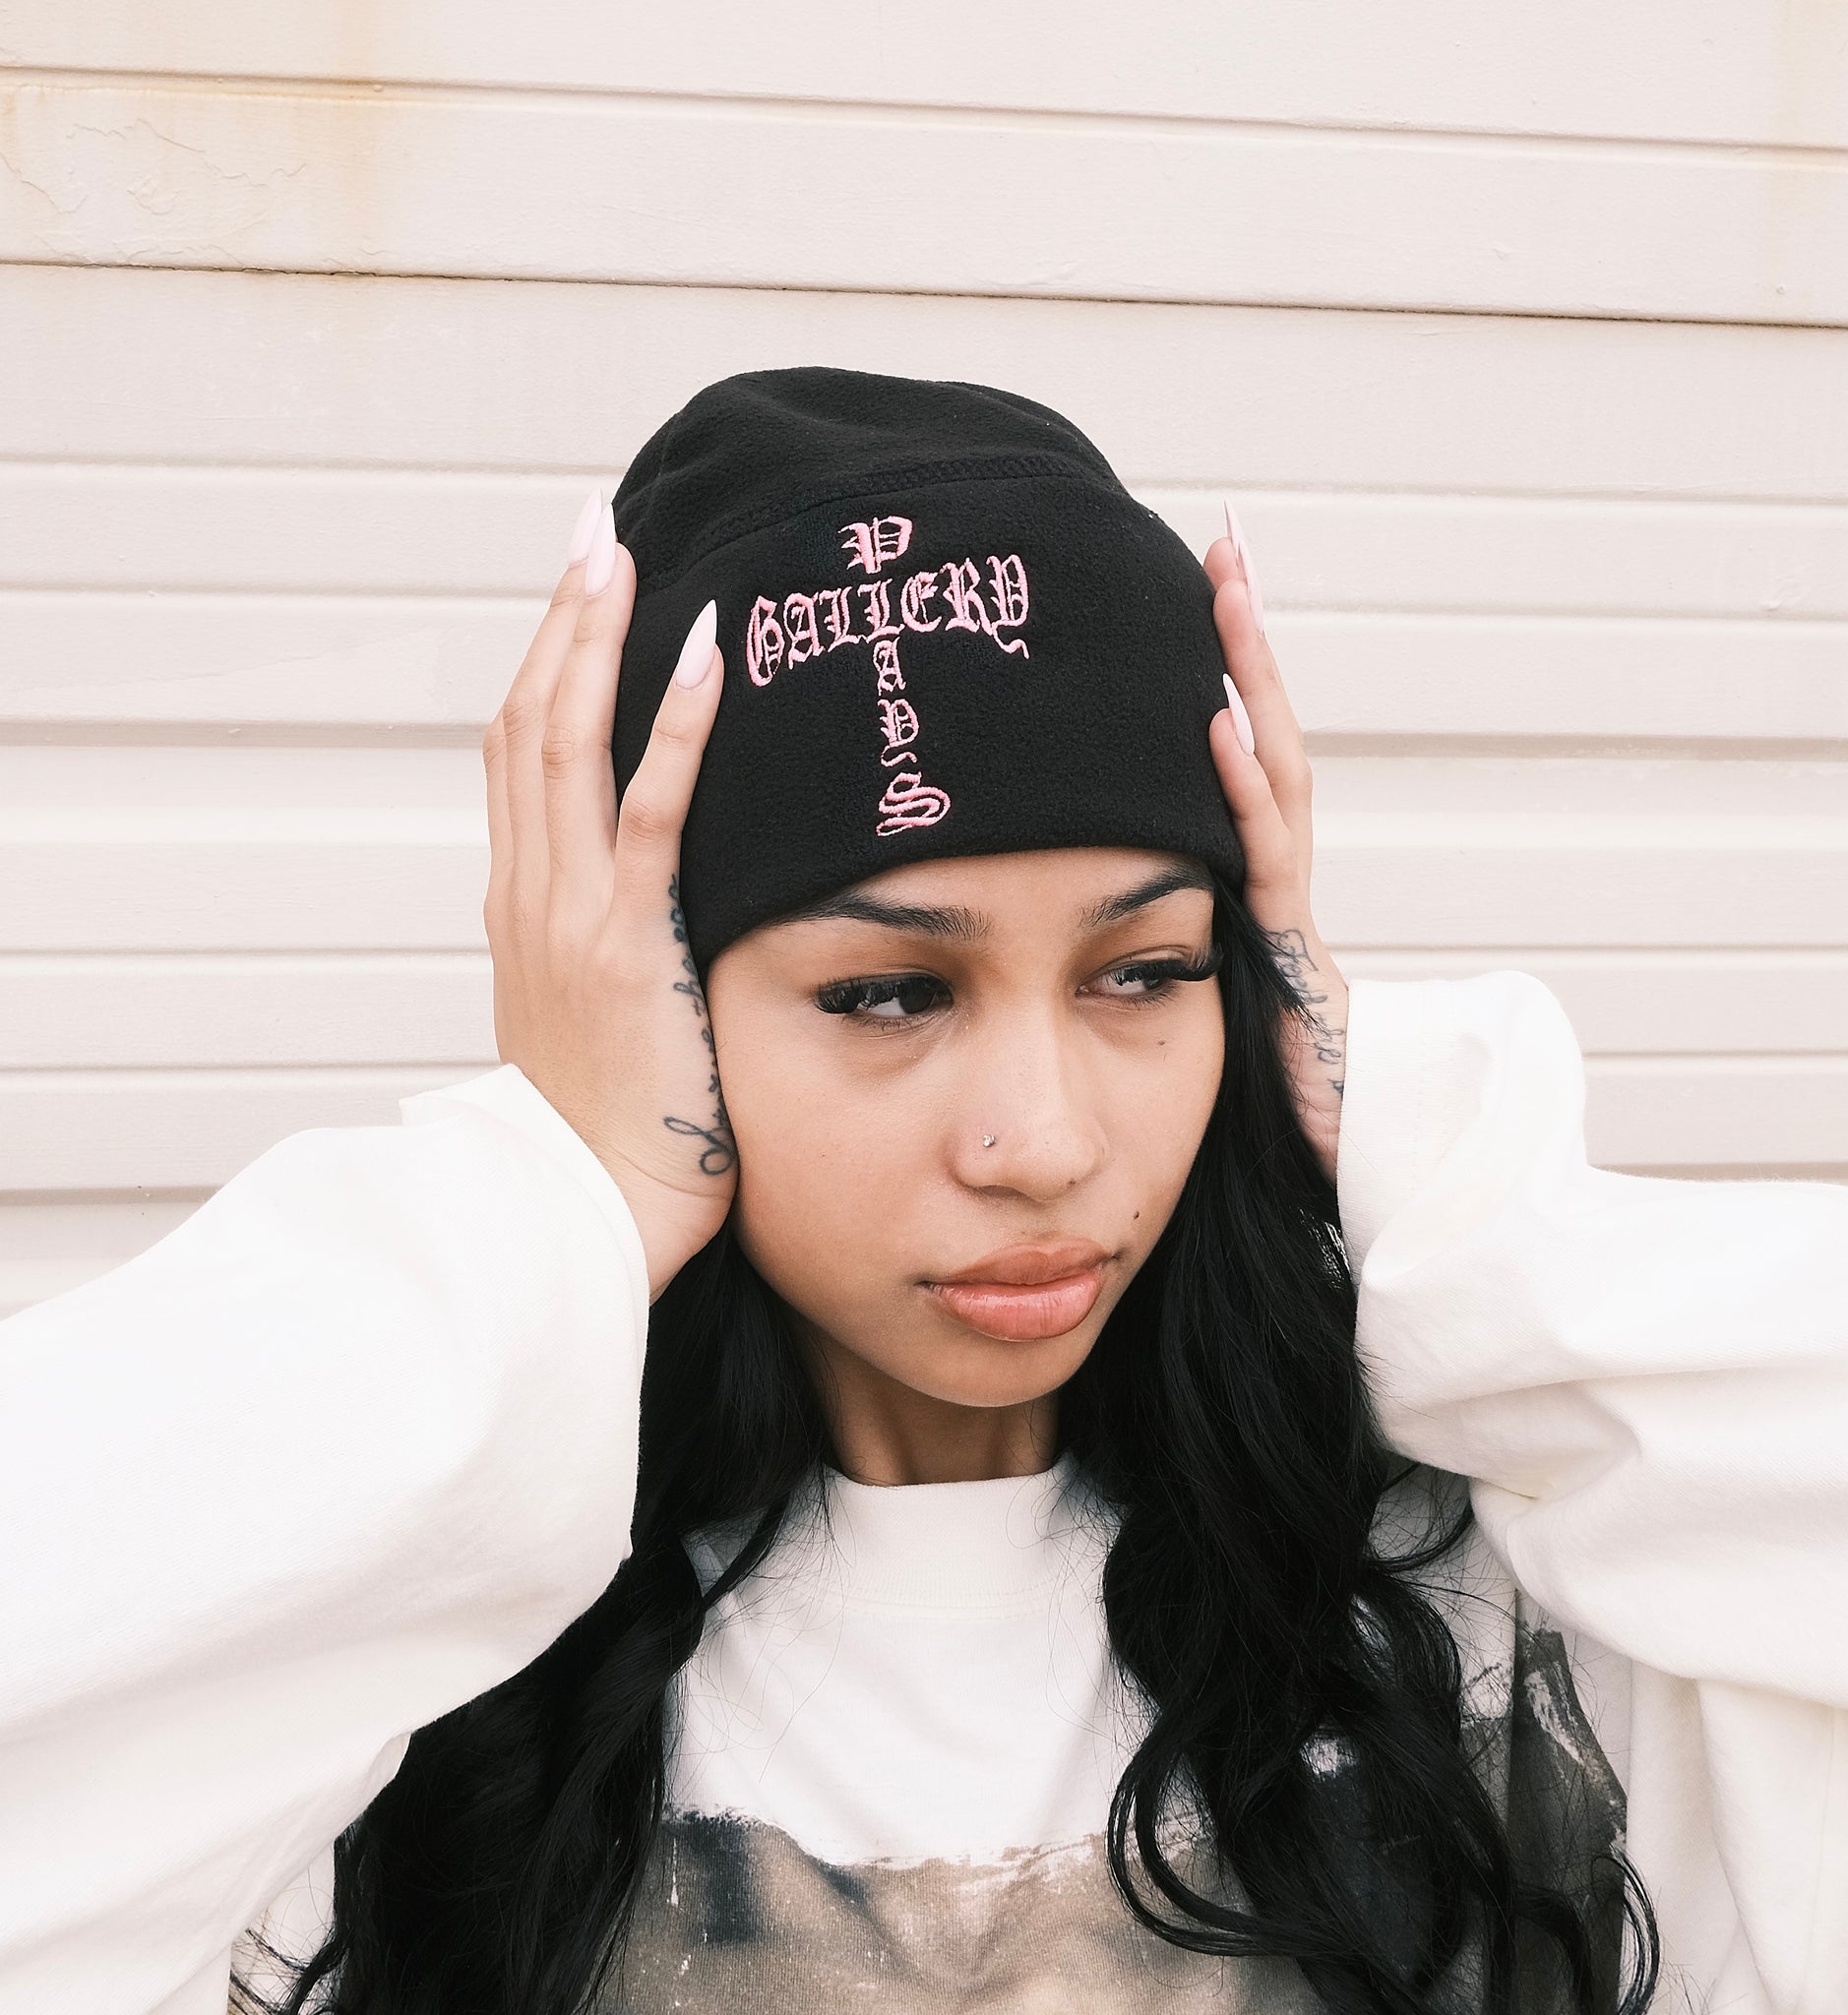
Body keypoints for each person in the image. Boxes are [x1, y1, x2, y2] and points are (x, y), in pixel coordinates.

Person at [0, 370, 1841, 2015]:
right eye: (888, 993)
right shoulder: (393, 1700)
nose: (1041, 1141)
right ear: (654, 1010)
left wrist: (1422, 1163)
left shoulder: (1501, 1602)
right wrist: (557, 1201)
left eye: (1144, 972)